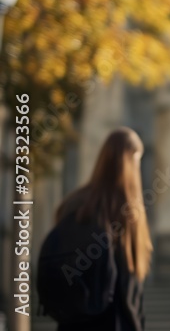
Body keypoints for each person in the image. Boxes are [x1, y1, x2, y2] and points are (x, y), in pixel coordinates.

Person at [52, 127, 150, 330]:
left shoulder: (72, 203)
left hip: (73, 321)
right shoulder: (127, 209)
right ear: (130, 161)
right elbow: (128, 288)